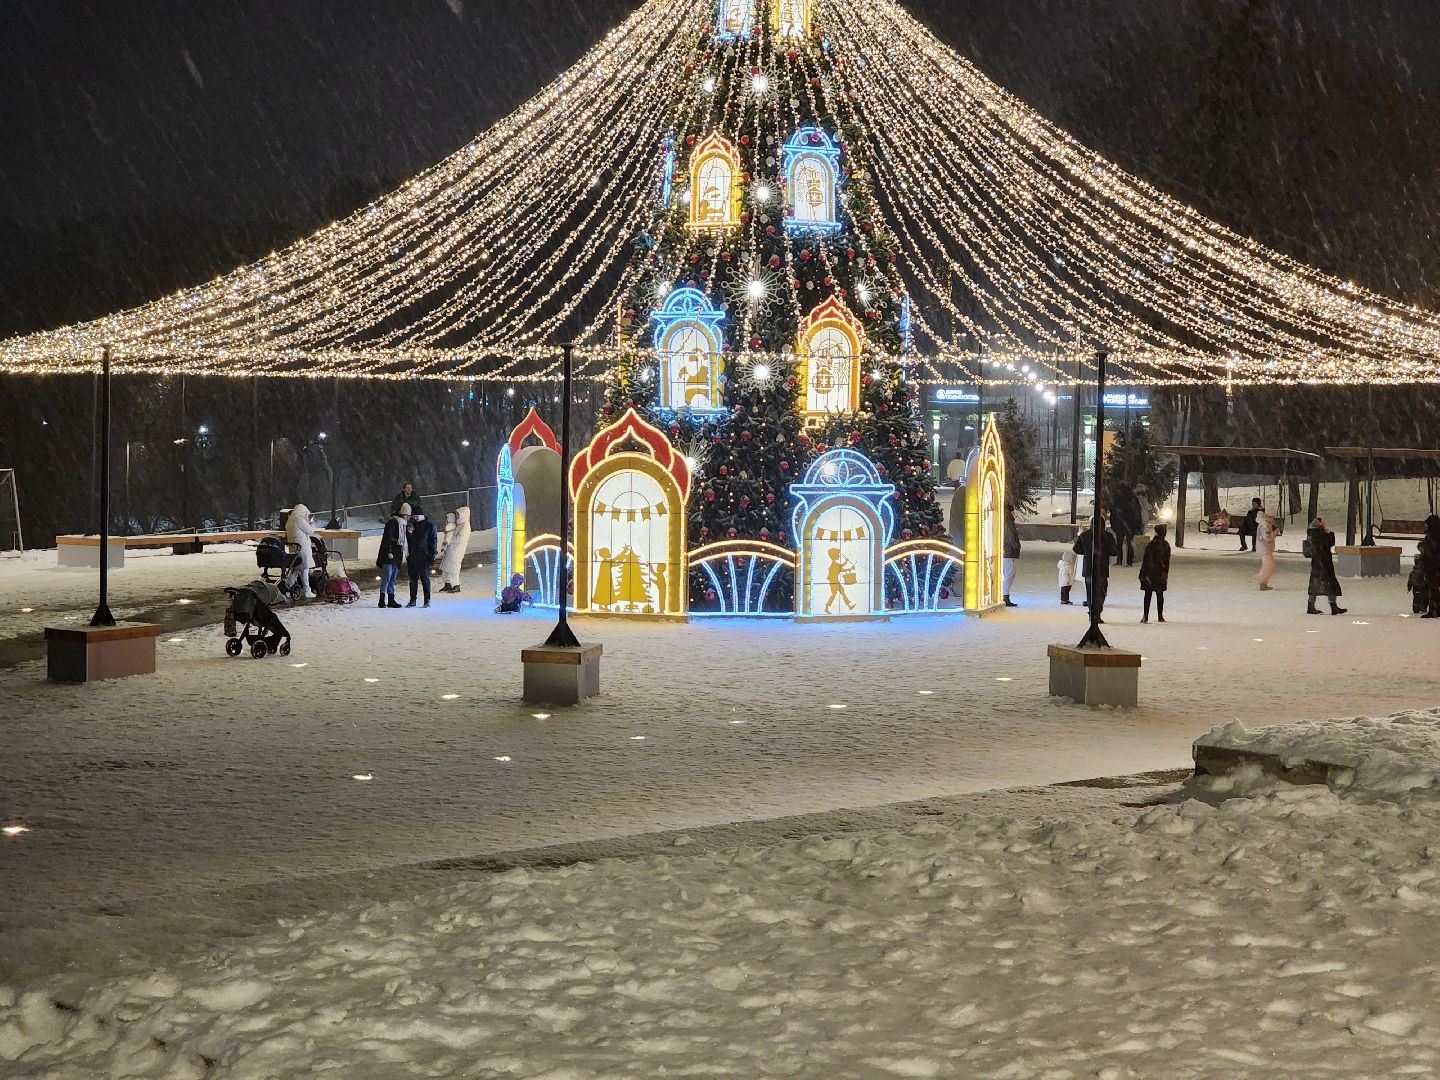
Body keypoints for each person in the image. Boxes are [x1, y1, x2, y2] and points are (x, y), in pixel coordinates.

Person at [1073, 513, 1118, 621]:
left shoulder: (1085, 536)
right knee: (1101, 592)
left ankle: (1092, 613)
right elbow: (1114, 551)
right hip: (1101, 569)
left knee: (1090, 592)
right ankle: (1097, 612)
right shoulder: (1108, 536)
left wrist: (1086, 550)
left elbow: (1077, 549)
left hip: (1089, 569)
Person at [1305, 516, 1346, 616]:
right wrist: (1327, 531)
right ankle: (1333, 606)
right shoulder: (1321, 534)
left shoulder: (1312, 534)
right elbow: (1330, 542)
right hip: (1324, 561)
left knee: (1315, 584)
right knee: (1330, 583)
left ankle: (1311, 606)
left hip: (1316, 563)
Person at [376, 503, 408, 609]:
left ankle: (390, 599)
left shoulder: (403, 524)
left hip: (397, 553)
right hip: (389, 553)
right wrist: (389, 551)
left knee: (392, 577)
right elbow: (387, 538)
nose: (408, 517)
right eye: (407, 515)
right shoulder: (393, 523)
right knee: (387, 577)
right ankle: (382, 599)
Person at [1138, 523, 1171, 623]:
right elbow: (1167, 562)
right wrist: (1165, 573)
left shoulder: (1151, 545)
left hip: (1150, 573)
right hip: (1160, 573)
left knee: (1147, 595)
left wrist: (1143, 573)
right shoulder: (1166, 545)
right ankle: (1160, 616)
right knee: (1159, 595)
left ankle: (1145, 616)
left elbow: (1146, 560)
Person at [286, 503, 319, 599]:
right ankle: (307, 590)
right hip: (302, 546)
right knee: (305, 568)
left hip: (293, 547)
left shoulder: (290, 520)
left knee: (295, 568)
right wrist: (312, 524)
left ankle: (289, 588)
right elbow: (310, 531)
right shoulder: (298, 519)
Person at [405, 510, 438, 608]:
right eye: (413, 517)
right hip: (412, 557)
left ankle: (427, 600)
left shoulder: (429, 525)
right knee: (413, 579)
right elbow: (408, 542)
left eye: (416, 516)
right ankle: (412, 600)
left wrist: (431, 555)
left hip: (424, 557)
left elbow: (433, 541)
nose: (414, 518)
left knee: (425, 579)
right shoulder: (412, 526)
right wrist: (409, 534)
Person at [1110, 482, 1144, 566]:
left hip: (1120, 524)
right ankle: (1129, 561)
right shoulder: (1133, 498)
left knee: (1119, 543)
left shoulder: (1118, 499)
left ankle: (1119, 560)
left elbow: (1113, 512)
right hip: (1131, 524)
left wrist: (1113, 523)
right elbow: (1138, 512)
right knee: (1129, 542)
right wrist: (1138, 525)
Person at [440, 506, 471, 593]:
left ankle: (456, 585)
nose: (457, 516)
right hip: (452, 549)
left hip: (457, 550)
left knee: (453, 568)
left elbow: (460, 539)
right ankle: (447, 584)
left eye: (458, 515)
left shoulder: (465, 526)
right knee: (447, 566)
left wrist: (450, 540)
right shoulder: (459, 524)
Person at [1419, 516, 1440, 618]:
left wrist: (1421, 547)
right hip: (1433, 566)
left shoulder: (1432, 537)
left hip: (1433, 567)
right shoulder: (1433, 536)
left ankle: (1433, 609)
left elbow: (1431, 551)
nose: (1425, 527)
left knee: (1432, 587)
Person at [1254, 507, 1278, 591]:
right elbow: (1268, 538)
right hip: (1265, 548)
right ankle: (1263, 582)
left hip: (1265, 548)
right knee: (1268, 566)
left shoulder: (1265, 523)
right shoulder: (1265, 524)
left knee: (1269, 565)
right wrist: (1275, 533)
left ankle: (1263, 581)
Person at [1002, 505, 1021, 608]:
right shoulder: (1009, 523)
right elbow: (1011, 538)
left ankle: (1005, 595)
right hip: (1010, 553)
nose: (1015, 513)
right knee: (1009, 576)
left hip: (1007, 552)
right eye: (1013, 511)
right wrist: (1017, 546)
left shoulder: (1005, 521)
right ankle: (1004, 596)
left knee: (1008, 575)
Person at [1406, 543, 1429, 616]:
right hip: (1421, 585)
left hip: (1417, 585)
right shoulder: (1422, 568)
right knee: (1422, 596)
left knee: (1417, 597)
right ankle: (1421, 607)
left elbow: (1411, 577)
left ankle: (1417, 607)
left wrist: (1409, 586)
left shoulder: (1415, 570)